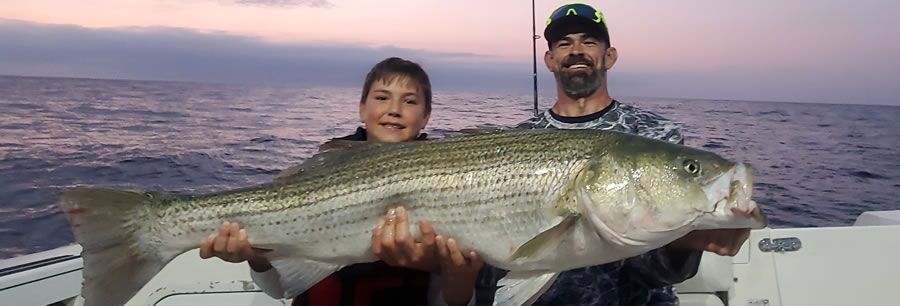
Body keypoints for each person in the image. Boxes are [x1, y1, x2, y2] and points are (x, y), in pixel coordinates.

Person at [474, 3, 752, 305]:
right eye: (564, 43)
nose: (576, 50)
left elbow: (660, 272)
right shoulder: (520, 139)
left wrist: (686, 241)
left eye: (589, 41)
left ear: (610, 56)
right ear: (550, 60)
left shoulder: (655, 133)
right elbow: (496, 265)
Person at [198, 57, 482, 306]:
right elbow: (279, 289)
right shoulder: (317, 173)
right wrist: (256, 258)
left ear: (426, 117)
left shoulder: (448, 179)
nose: (394, 109)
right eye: (382, 97)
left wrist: (450, 270)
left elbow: (454, 301)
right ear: (361, 108)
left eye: (409, 101)